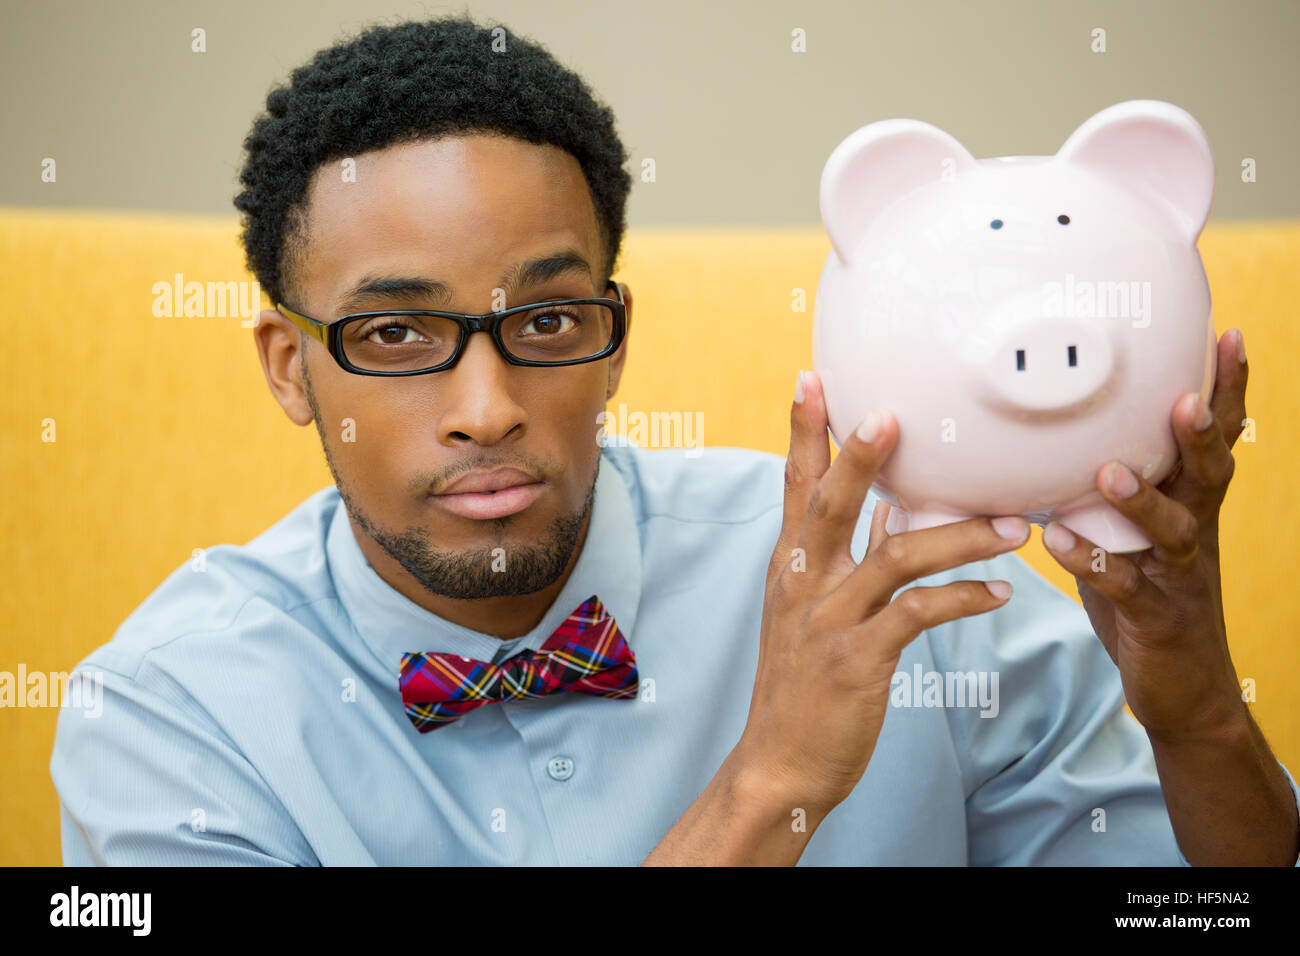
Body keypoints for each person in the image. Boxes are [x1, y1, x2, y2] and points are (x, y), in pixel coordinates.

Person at [50, 14, 1300, 866]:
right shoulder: (168, 716)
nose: (485, 404)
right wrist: (767, 788)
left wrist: (1193, 714)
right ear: (290, 365)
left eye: (546, 319)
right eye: (394, 334)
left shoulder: (898, 581)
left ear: (615, 336)